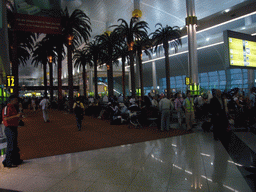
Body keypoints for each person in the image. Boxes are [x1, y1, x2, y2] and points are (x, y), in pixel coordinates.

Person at [2, 95, 23, 168]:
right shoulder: (7, 108)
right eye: (16, 100)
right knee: (11, 146)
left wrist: (18, 117)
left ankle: (15, 160)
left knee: (14, 145)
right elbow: (6, 118)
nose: (17, 101)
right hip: (9, 128)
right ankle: (8, 162)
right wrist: (16, 116)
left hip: (13, 127)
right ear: (12, 100)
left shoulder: (13, 107)